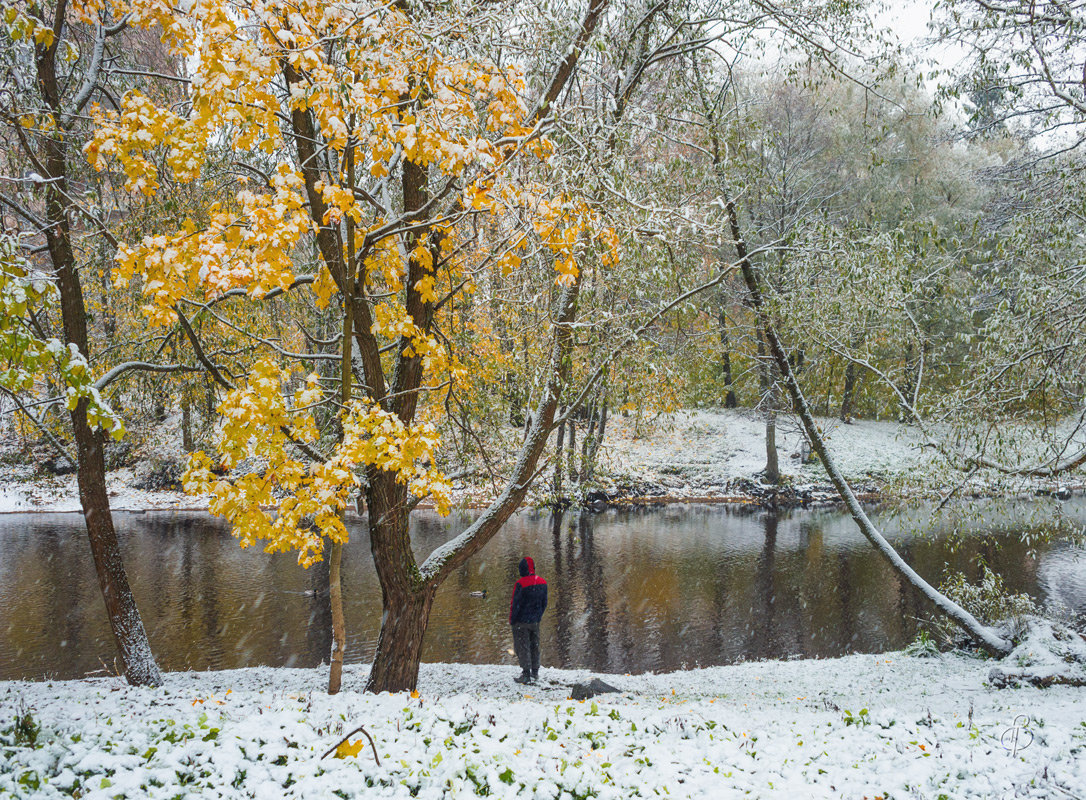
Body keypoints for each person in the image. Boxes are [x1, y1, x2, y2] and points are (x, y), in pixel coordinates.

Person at [509, 556, 547, 684]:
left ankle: (526, 674)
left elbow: (515, 604)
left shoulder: (520, 584)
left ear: (522, 569)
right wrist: (538, 616)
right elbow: (544, 603)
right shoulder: (542, 582)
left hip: (521, 622)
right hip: (535, 621)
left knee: (522, 646)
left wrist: (512, 620)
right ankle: (535, 672)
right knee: (534, 645)